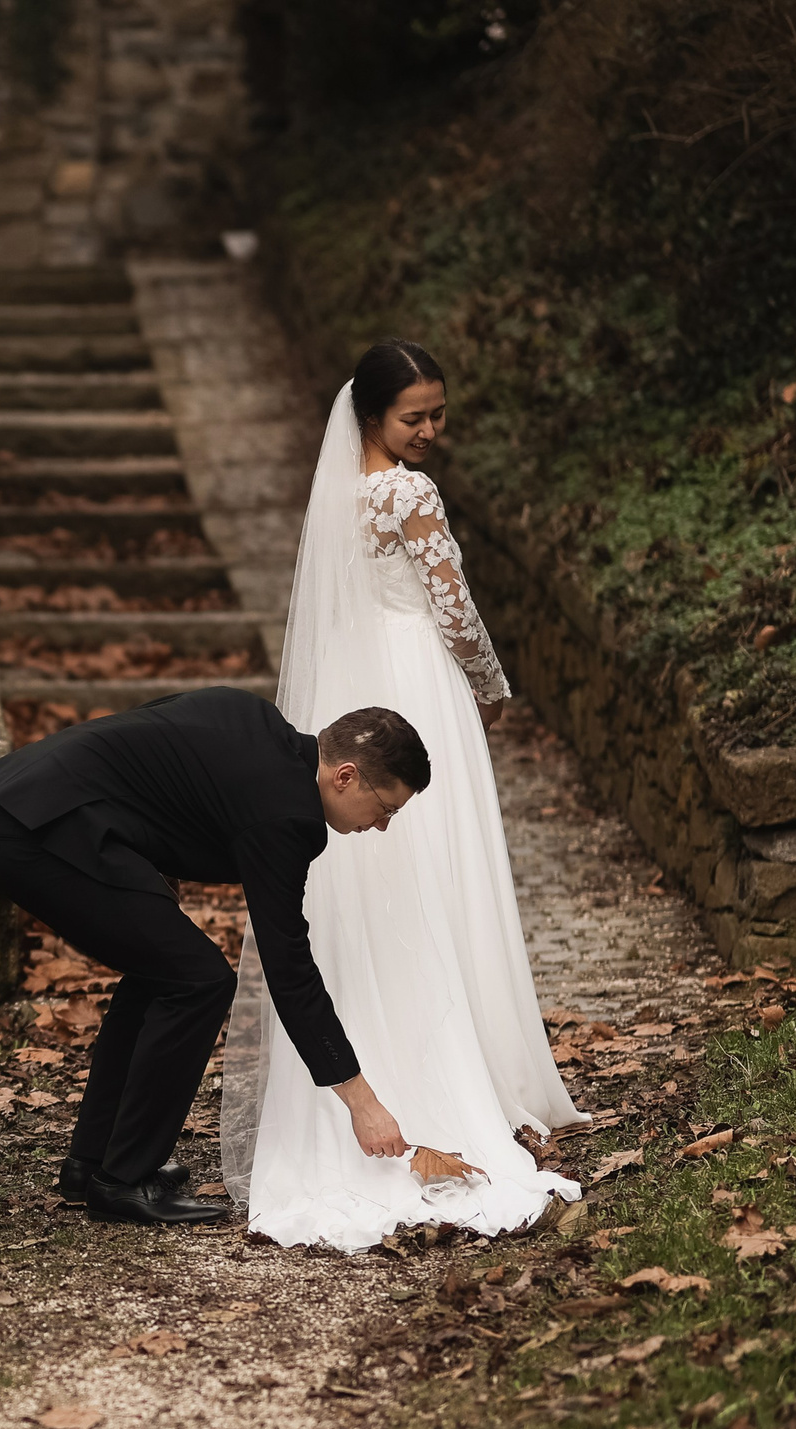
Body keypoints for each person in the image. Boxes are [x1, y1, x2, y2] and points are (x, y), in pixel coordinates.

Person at [219, 340, 583, 1251]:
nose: (429, 431)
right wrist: (491, 688)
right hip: (415, 679)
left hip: (351, 683)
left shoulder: (337, 494)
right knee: (437, 858)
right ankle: (470, 1065)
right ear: (372, 416)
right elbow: (454, 607)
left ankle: (389, 1045)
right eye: (413, 416)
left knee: (372, 877)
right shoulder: (408, 494)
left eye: (438, 413)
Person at [0, 688, 428, 1226]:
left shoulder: (251, 716)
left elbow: (152, 738)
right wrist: (360, 1101)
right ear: (345, 776)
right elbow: (289, 966)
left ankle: (93, 1164)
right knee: (199, 981)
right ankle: (123, 1180)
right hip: (37, 834)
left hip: (30, 807)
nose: (382, 825)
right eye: (385, 807)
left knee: (166, 971)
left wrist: (154, 872)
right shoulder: (286, 815)